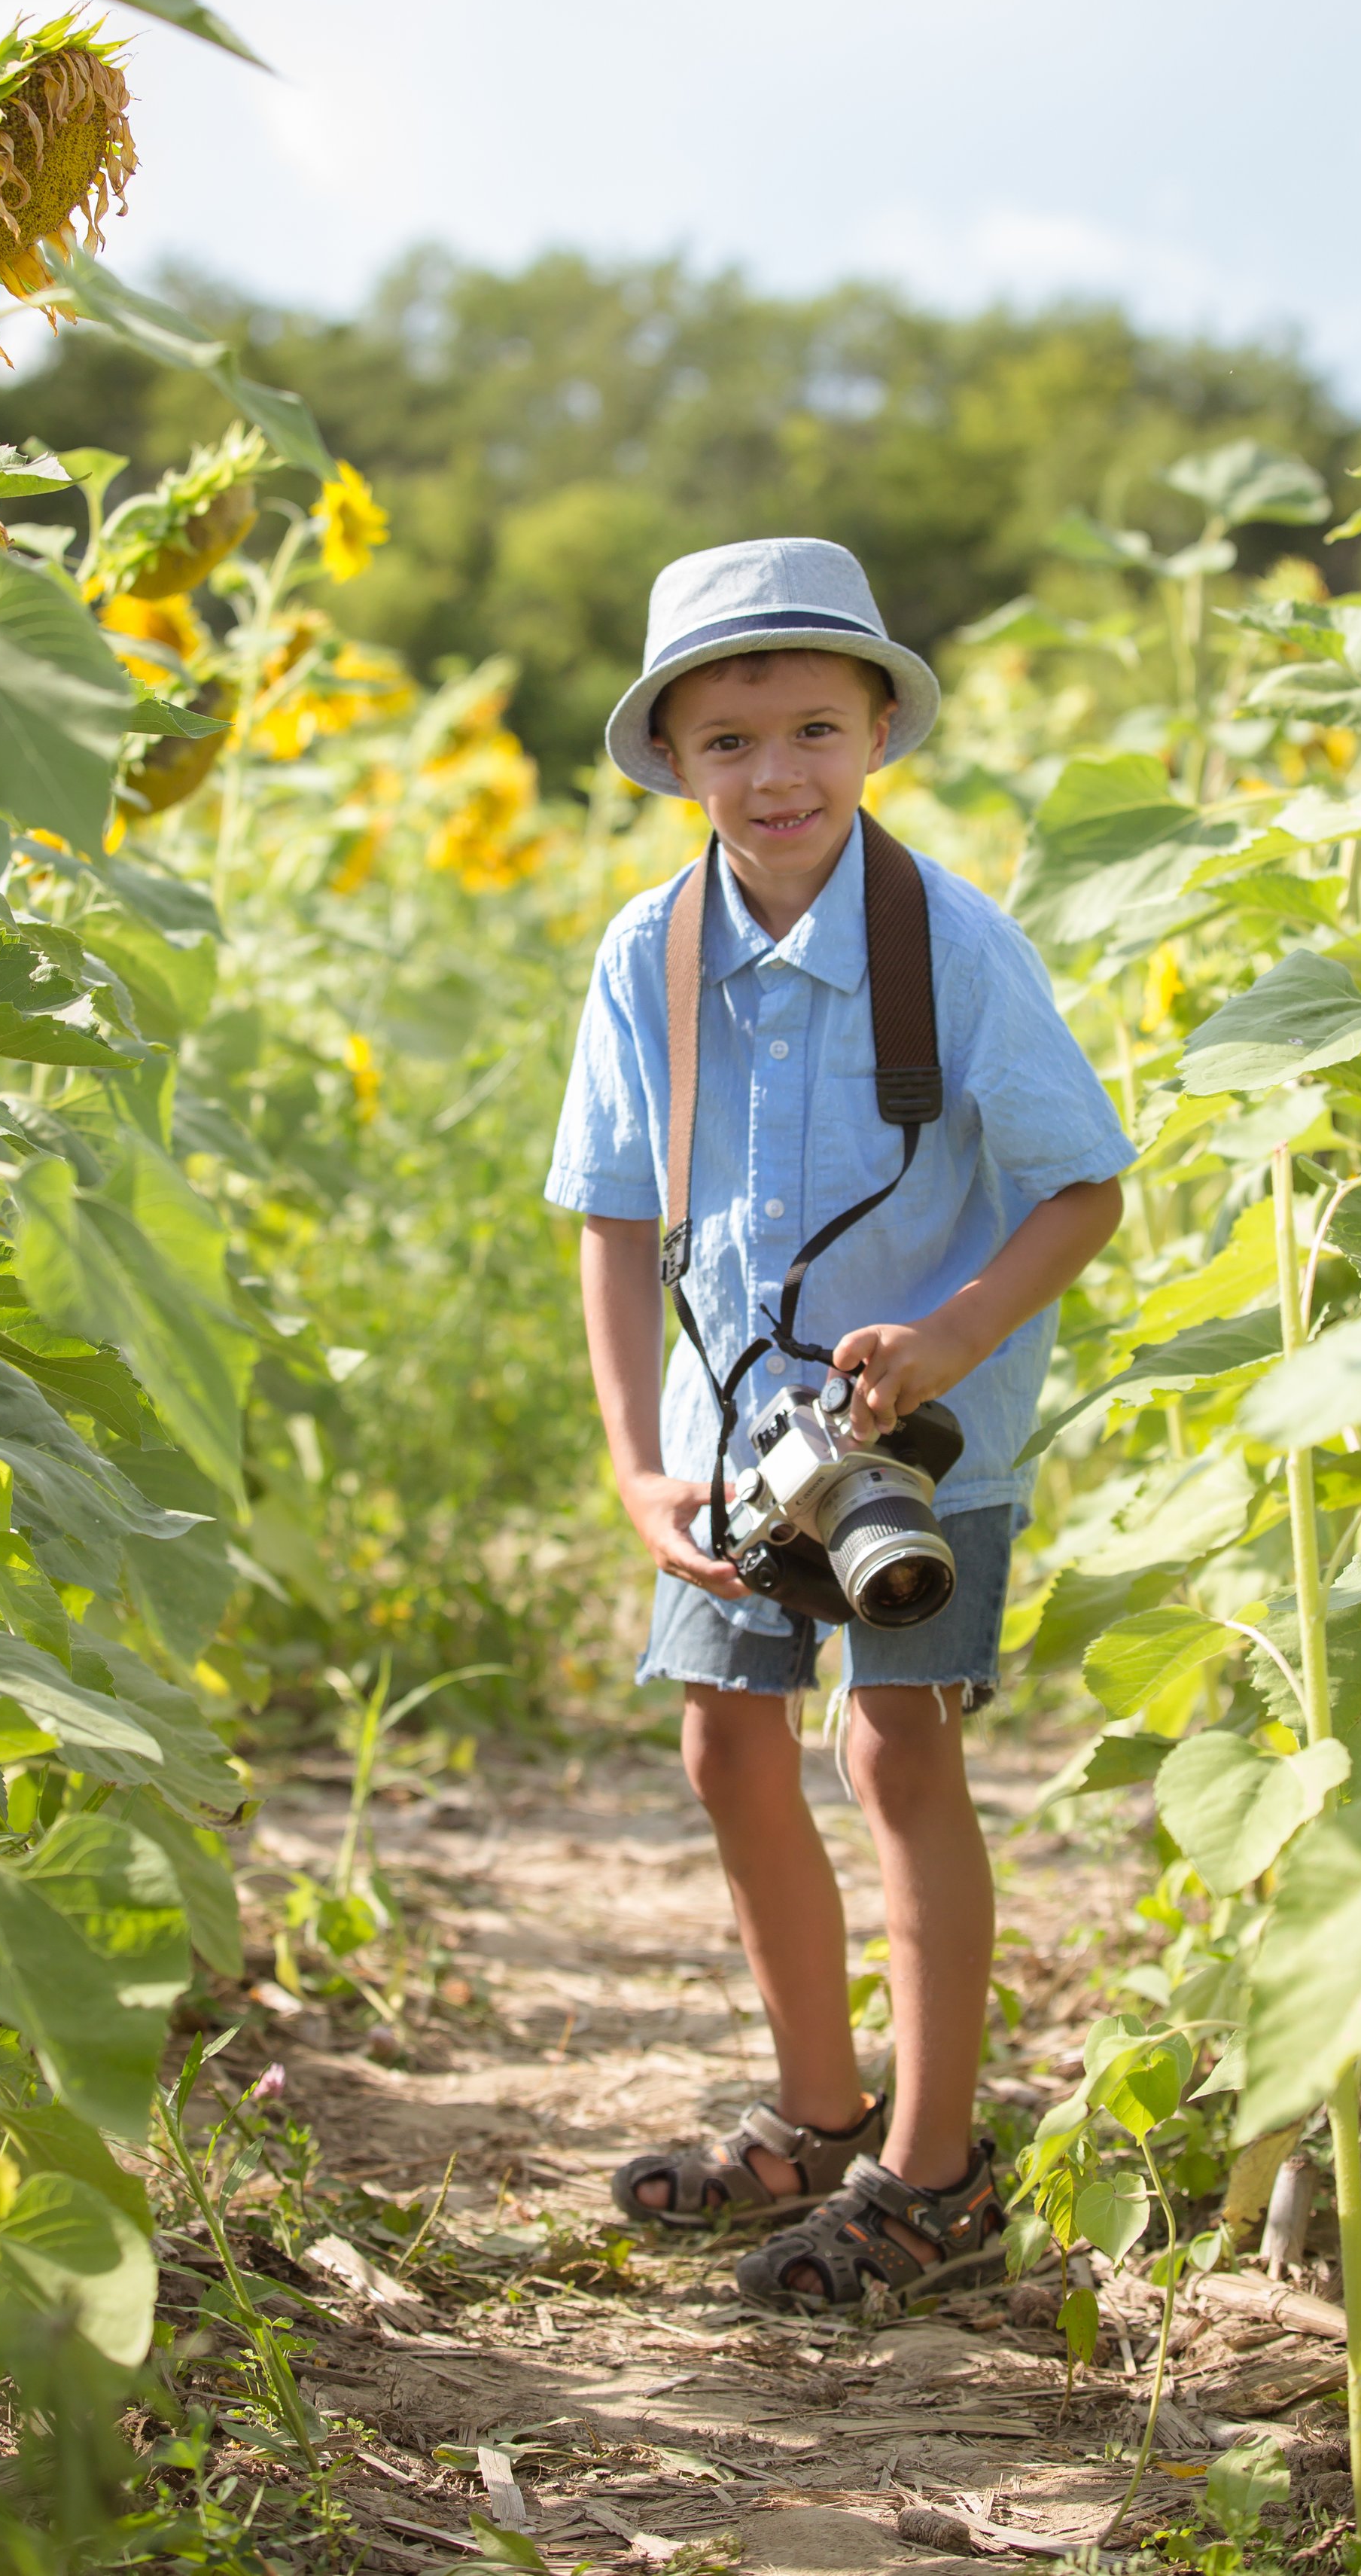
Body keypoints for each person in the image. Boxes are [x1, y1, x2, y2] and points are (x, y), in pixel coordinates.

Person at [544, 537, 1131, 2308]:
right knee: (724, 1746)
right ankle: (814, 2108)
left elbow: (1082, 1188)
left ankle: (934, 2168)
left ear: (879, 731)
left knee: (895, 1749)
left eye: (811, 727)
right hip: (735, 1445)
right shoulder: (646, 956)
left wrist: (949, 1338)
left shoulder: (947, 944)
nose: (773, 774)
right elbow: (614, 1217)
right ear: (672, 762)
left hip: (912, 1450)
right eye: (726, 744)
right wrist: (635, 1456)